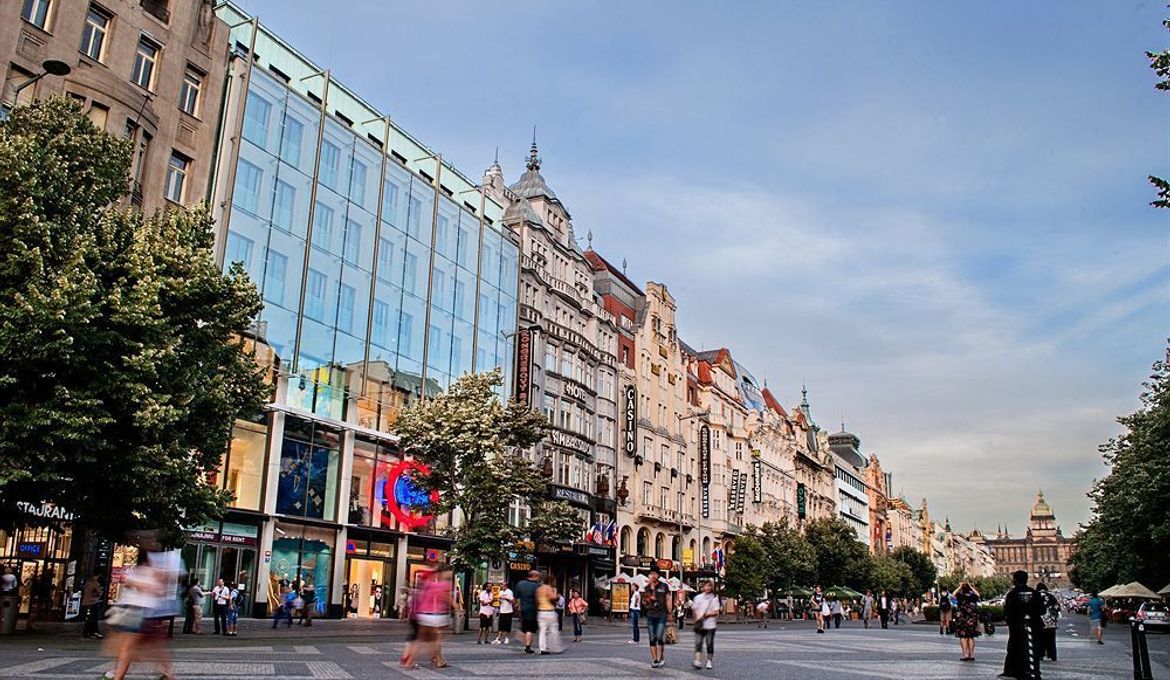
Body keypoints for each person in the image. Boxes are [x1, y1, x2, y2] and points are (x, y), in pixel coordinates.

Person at [102, 531, 181, 680]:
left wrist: (140, 585)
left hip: (139, 612)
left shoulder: (152, 570)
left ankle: (117, 676)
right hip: (139, 611)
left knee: (129, 648)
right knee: (149, 648)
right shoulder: (147, 570)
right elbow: (157, 589)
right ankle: (168, 675)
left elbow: (156, 589)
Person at [1001, 570, 1044, 680]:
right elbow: (1042, 610)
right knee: (1033, 649)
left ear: (1014, 580)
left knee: (1016, 649)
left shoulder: (1012, 594)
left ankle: (1017, 672)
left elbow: (1007, 611)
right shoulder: (1035, 593)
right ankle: (1034, 671)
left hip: (1017, 628)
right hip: (1034, 626)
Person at [415, 567, 454, 669]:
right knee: (437, 639)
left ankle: (436, 658)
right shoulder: (444, 585)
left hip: (423, 613)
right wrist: (456, 606)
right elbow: (446, 597)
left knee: (427, 639)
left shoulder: (429, 584)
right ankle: (437, 660)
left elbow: (420, 595)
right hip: (437, 615)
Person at [642, 569, 673, 668]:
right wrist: (649, 593)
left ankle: (660, 658)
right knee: (652, 638)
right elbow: (645, 603)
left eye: (655, 573)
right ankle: (654, 659)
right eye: (651, 574)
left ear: (658, 575)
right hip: (651, 614)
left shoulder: (664, 586)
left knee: (659, 636)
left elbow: (668, 599)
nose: (653, 575)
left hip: (662, 614)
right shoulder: (647, 588)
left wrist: (670, 612)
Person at [691, 580, 718, 670]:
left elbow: (716, 612)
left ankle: (709, 661)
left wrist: (707, 615)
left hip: (710, 625)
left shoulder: (714, 598)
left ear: (712, 587)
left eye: (709, 586)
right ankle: (698, 661)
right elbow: (694, 609)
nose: (707, 588)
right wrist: (696, 618)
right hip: (700, 624)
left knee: (709, 643)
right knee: (698, 643)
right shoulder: (698, 598)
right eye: (706, 586)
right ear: (703, 587)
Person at [514, 570, 542, 655]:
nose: (539, 578)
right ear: (534, 576)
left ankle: (522, 634)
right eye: (538, 577)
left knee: (525, 626)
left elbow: (516, 597)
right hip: (532, 609)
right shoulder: (535, 586)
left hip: (523, 609)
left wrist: (518, 607)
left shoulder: (520, 584)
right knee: (530, 629)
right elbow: (537, 599)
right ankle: (527, 646)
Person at [953, 581, 981, 661]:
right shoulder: (973, 596)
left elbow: (953, 594)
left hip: (961, 619)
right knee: (970, 637)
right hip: (971, 619)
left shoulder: (960, 595)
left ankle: (965, 654)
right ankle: (971, 654)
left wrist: (960, 586)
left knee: (963, 637)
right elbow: (978, 595)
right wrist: (971, 586)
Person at [536, 575, 562, 655]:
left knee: (542, 631)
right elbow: (553, 598)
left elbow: (537, 601)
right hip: (549, 611)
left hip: (541, 611)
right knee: (553, 630)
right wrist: (556, 594)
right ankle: (555, 647)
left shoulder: (539, 589)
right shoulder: (549, 588)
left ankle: (542, 648)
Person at [1036, 583, 1059, 661]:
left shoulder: (1035, 596)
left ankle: (1040, 655)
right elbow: (1057, 607)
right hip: (1051, 622)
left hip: (1039, 622)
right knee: (1051, 640)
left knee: (1040, 640)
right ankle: (1052, 655)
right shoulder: (1051, 596)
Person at [82, 573, 105, 640]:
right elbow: (95, 593)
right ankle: (91, 632)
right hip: (92, 602)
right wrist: (100, 592)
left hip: (87, 602)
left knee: (90, 618)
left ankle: (89, 632)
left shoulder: (88, 583)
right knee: (92, 618)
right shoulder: (94, 583)